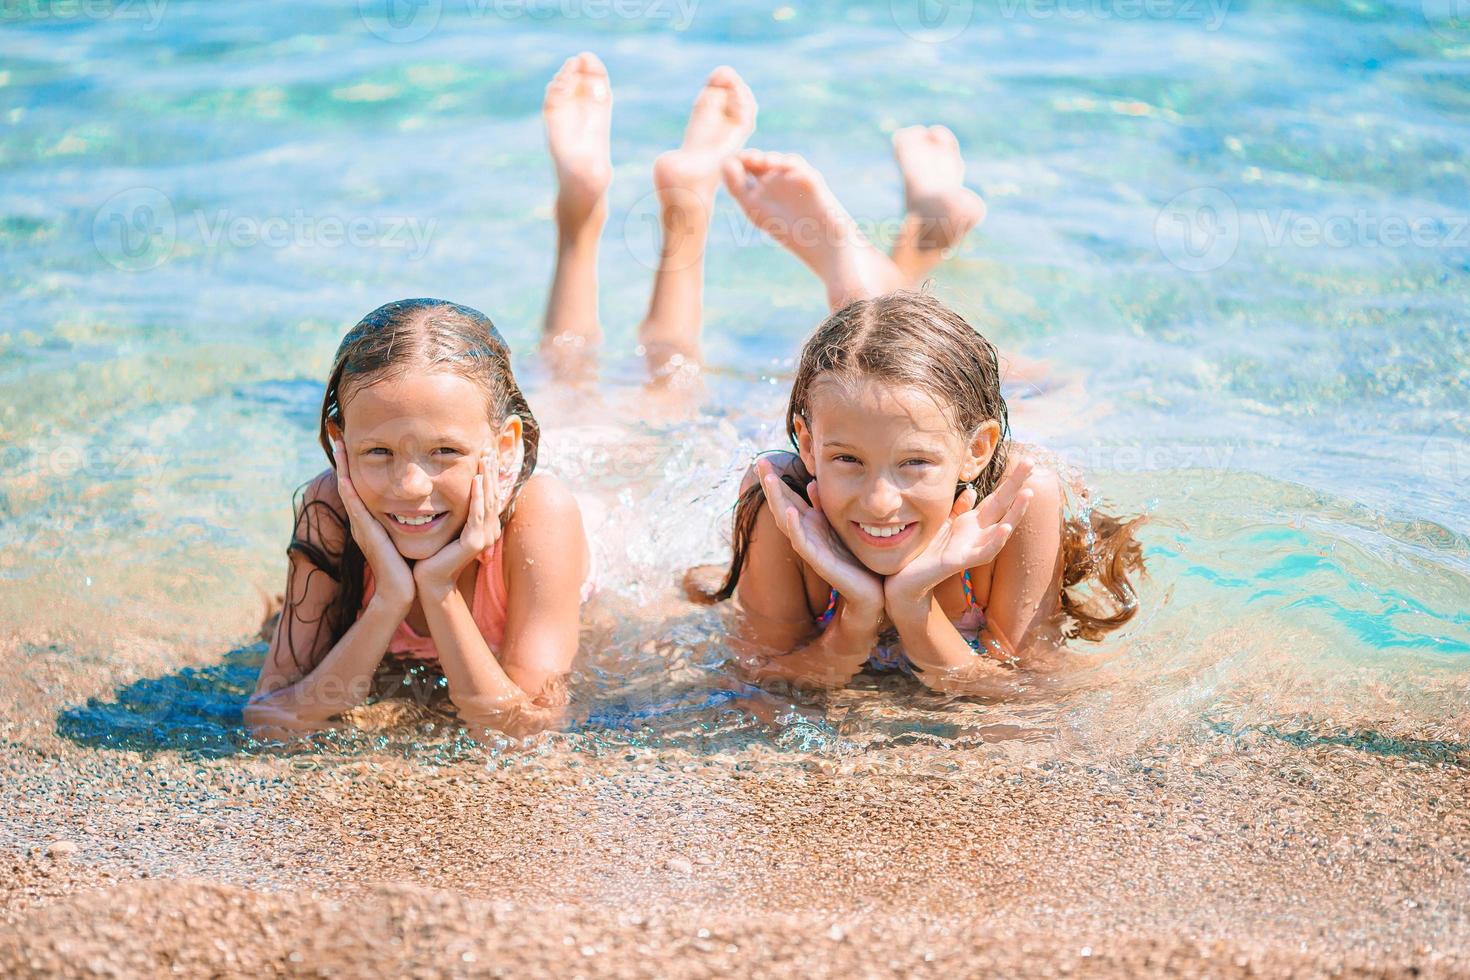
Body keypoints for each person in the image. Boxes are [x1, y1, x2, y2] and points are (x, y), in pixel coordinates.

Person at [246, 53, 759, 737]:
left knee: (662, 387)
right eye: (375, 452)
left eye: (442, 452)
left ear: (505, 448)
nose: (407, 486)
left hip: (604, 501)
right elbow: (269, 719)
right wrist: (388, 601)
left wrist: (438, 594)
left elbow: (523, 727)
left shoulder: (539, 514)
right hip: (502, 459)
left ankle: (676, 213)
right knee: (571, 374)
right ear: (339, 443)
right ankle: (581, 209)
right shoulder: (329, 508)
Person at [703, 138, 1143, 696]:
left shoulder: (1023, 501)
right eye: (845, 460)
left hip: (984, 428)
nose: (881, 501)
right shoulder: (779, 498)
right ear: (809, 448)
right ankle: (907, 238)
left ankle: (872, 248)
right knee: (870, 363)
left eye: (914, 464)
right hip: (907, 417)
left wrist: (912, 606)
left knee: (1053, 389)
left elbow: (1025, 693)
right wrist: (858, 615)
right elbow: (760, 679)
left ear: (977, 451)